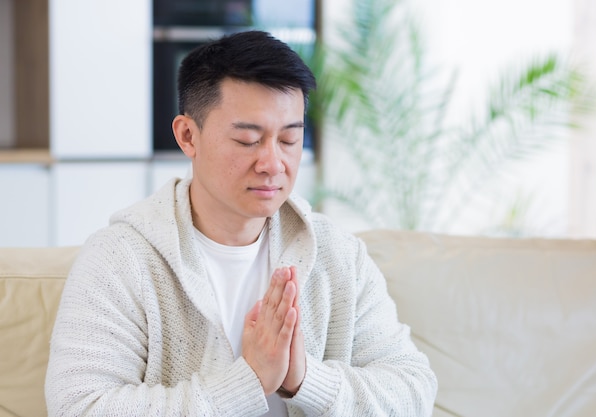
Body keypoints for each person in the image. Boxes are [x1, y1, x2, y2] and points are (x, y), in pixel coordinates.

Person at [45, 30, 437, 416]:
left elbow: (413, 391)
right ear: (187, 136)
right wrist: (246, 383)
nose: (272, 164)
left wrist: (303, 380)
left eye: (289, 140)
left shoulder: (338, 255)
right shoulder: (120, 258)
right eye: (248, 140)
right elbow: (78, 406)